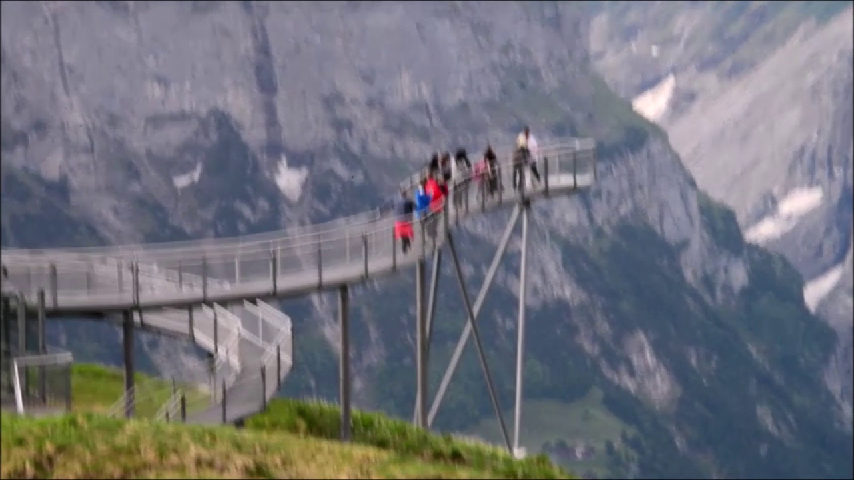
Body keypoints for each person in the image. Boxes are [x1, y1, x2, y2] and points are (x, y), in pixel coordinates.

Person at [393, 189, 415, 254]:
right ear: (405, 194)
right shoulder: (409, 201)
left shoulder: (396, 202)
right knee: (406, 234)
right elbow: (414, 207)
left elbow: (394, 210)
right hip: (406, 221)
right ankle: (407, 247)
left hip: (398, 222)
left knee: (403, 235)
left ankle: (405, 249)